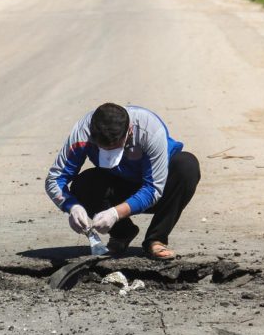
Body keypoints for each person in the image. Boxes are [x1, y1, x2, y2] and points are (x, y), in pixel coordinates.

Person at [45, 103, 200, 260]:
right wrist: (72, 207)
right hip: (118, 184)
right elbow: (55, 178)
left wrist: (115, 213)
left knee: (187, 166)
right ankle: (122, 234)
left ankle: (156, 239)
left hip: (159, 188)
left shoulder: (150, 130)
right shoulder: (82, 133)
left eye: (115, 148)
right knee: (84, 183)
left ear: (130, 131)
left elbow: (153, 189)